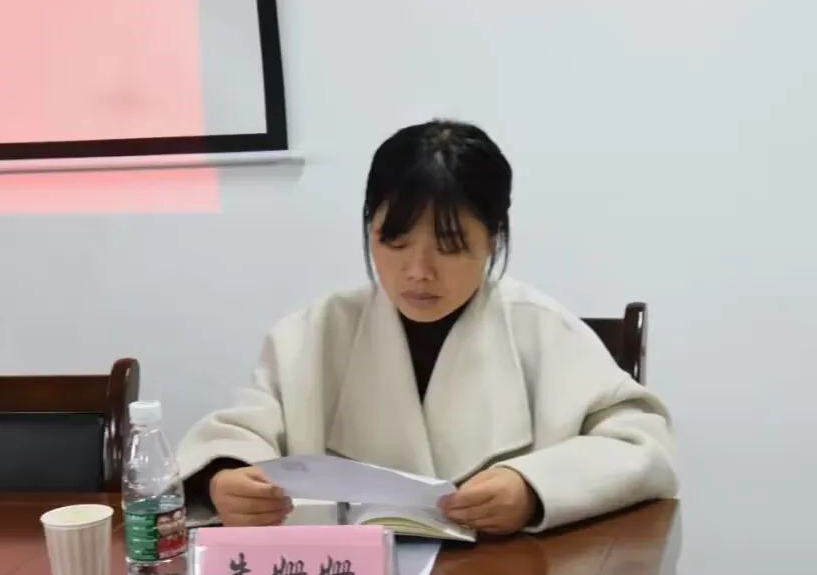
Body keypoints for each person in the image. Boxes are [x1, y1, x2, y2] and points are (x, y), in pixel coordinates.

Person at [177, 119, 677, 534]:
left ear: (493, 240)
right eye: (394, 242)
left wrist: (533, 487)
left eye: (450, 245)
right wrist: (226, 480)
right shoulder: (314, 333)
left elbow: (640, 443)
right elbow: (238, 433)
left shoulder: (542, 330)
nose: (418, 271)